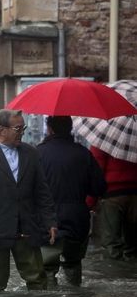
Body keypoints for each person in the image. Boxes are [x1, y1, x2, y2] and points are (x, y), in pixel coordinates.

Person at [0, 109, 58, 292]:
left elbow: (42, 193)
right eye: (18, 128)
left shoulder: (31, 153)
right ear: (2, 129)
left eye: (23, 128)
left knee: (38, 279)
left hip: (27, 227)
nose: (22, 132)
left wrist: (50, 222)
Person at [37, 116, 106, 286]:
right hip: (77, 220)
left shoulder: (37, 153)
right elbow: (99, 188)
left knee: (46, 269)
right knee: (73, 265)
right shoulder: (84, 154)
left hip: (47, 221)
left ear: (50, 129)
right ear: (70, 129)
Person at [90, 145, 137, 261]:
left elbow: (96, 171)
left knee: (111, 245)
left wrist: (90, 201)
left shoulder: (105, 136)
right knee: (133, 247)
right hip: (135, 194)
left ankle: (114, 275)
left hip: (112, 195)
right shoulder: (134, 134)